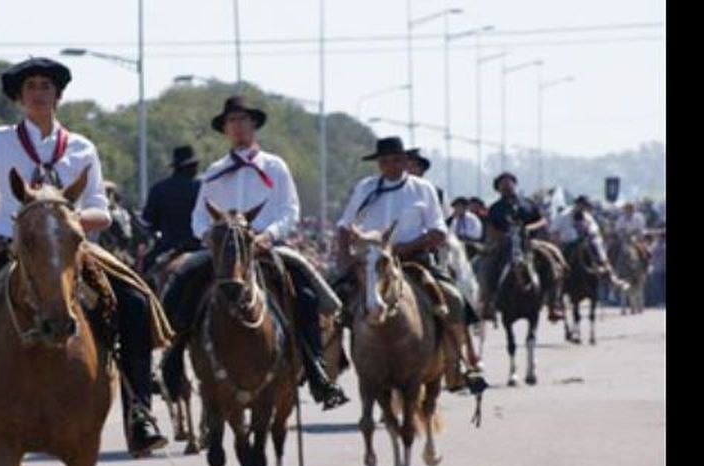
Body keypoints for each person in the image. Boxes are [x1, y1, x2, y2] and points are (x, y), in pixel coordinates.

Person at [0, 57, 170, 457]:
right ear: (20, 98)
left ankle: (139, 410)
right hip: (10, 249)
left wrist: (68, 219)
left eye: (45, 86)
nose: (38, 93)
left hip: (71, 250)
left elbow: (101, 210)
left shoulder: (81, 147)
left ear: (57, 95)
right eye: (31, 87)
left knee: (134, 302)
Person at [161, 95, 350, 409]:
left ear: (253, 125)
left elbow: (290, 209)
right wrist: (208, 236)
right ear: (225, 129)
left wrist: (268, 235)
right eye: (231, 121)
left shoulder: (274, 166)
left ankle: (316, 369)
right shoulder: (214, 171)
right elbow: (198, 216)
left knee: (303, 291)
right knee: (182, 282)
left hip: (264, 247)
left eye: (242, 120)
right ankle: (171, 360)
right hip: (223, 250)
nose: (237, 127)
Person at [334, 136, 487, 394]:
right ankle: (327, 372)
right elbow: (344, 225)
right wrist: (345, 257)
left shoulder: (422, 189)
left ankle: (455, 368)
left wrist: (404, 248)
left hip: (414, 260)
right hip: (371, 264)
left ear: (405, 162)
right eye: (384, 161)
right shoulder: (366, 187)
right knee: (330, 303)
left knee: (454, 300)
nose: (390, 165)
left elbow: (438, 231)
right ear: (378, 164)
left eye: (395, 160)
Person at [483, 171, 567, 322]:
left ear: (515, 184)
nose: (507, 186)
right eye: (503, 184)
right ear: (498, 188)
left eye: (509, 182)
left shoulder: (527, 203)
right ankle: (488, 304)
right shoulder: (495, 208)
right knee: (490, 266)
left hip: (529, 243)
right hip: (506, 245)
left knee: (550, 261)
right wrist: (503, 235)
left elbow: (542, 221)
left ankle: (554, 304)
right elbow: (490, 229)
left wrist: (530, 228)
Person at [140, 145, 201, 273]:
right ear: (192, 166)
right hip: (199, 248)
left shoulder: (158, 189)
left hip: (167, 247)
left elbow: (148, 221)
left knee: (145, 271)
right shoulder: (203, 189)